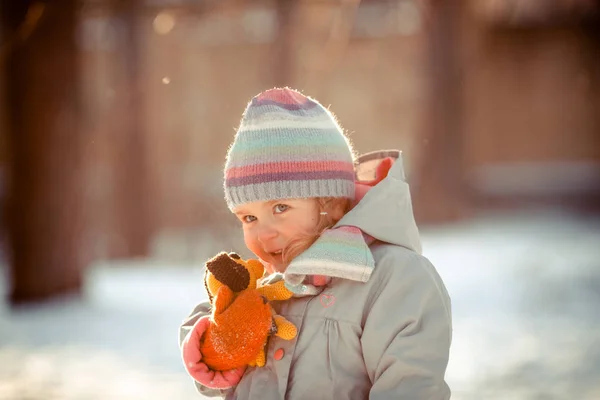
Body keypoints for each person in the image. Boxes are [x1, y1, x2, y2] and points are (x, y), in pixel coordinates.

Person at [179, 87, 452, 399]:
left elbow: (410, 386)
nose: (263, 234)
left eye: (280, 208)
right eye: (248, 218)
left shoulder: (394, 278)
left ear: (331, 203)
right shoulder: (264, 291)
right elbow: (209, 359)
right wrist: (224, 337)